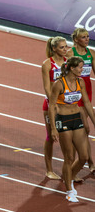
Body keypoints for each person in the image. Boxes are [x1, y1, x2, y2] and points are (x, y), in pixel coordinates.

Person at [48, 56, 95, 202]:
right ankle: (69, 190)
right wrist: (54, 129)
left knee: (84, 157)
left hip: (76, 118)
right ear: (72, 68)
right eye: (80, 67)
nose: (83, 69)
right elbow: (51, 106)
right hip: (63, 120)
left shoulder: (80, 81)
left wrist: (94, 121)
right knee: (69, 157)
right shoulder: (59, 84)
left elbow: (86, 102)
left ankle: (68, 177)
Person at [41, 36, 68, 179]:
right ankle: (49, 170)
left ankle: (68, 169)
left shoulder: (67, 63)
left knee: (68, 137)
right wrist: (54, 104)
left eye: (66, 46)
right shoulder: (47, 64)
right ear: (54, 49)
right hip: (51, 105)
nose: (65, 49)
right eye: (62, 47)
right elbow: (47, 87)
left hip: (66, 104)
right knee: (51, 137)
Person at [69, 27, 95, 173]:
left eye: (88, 36)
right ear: (76, 39)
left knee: (84, 129)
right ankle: (88, 161)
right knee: (82, 127)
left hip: (87, 92)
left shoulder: (91, 53)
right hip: (74, 91)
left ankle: (89, 161)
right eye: (84, 37)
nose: (87, 39)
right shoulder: (70, 53)